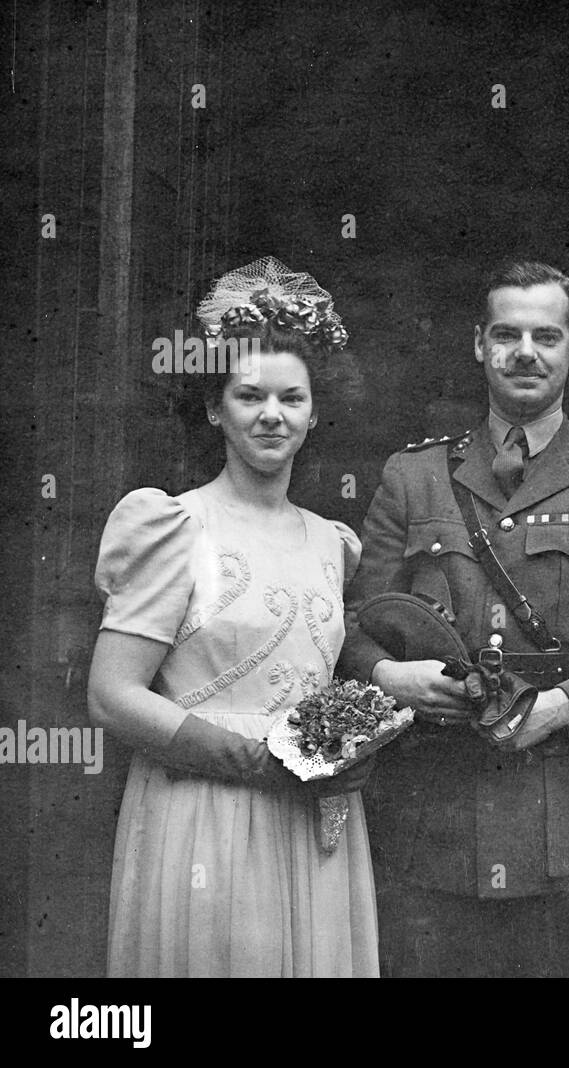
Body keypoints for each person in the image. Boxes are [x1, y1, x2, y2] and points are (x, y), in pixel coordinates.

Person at [339, 259, 569, 977]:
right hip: (436, 813)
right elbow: (352, 621)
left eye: (546, 336)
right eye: (506, 334)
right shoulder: (414, 476)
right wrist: (388, 676)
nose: (526, 351)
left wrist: (567, 705)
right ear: (478, 344)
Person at [87, 256, 378, 976]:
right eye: (249, 396)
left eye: (291, 398)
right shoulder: (171, 526)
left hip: (315, 823)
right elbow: (112, 695)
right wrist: (256, 762)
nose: (271, 415)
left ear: (315, 412)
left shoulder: (332, 543)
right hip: (204, 814)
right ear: (215, 407)